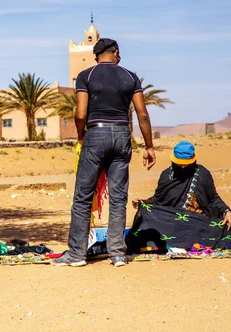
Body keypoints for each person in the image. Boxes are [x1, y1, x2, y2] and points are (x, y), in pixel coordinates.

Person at [54, 38, 156, 268]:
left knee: (83, 196)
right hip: (122, 135)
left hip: (95, 135)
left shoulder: (86, 76)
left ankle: (77, 254)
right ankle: (117, 253)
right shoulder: (131, 77)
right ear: (116, 53)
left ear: (96, 56)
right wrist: (149, 146)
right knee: (118, 197)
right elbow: (142, 114)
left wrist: (82, 136)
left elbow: (80, 114)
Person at [126, 141, 231, 252]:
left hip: (196, 220)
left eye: (186, 164)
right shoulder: (167, 176)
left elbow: (213, 198)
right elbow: (157, 200)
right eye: (180, 163)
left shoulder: (202, 174)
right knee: (143, 234)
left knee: (214, 232)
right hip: (171, 220)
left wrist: (227, 211)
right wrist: (143, 202)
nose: (183, 167)